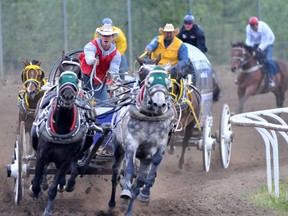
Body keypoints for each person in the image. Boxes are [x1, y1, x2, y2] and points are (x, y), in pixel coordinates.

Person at [80, 23, 121, 102]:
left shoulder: (116, 54)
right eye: (104, 36)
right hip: (86, 76)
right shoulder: (91, 45)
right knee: (83, 102)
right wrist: (93, 60)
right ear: (100, 36)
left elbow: (114, 70)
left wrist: (111, 74)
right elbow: (89, 58)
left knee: (103, 104)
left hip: (100, 80)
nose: (106, 38)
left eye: (108, 36)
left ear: (112, 37)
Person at [245, 16, 276, 89]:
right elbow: (249, 40)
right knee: (247, 58)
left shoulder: (264, 28)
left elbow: (264, 42)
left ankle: (271, 79)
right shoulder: (248, 28)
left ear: (257, 24)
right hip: (256, 43)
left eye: (254, 25)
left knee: (268, 60)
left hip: (268, 43)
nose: (253, 27)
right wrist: (251, 49)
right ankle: (244, 77)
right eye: (251, 26)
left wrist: (257, 50)